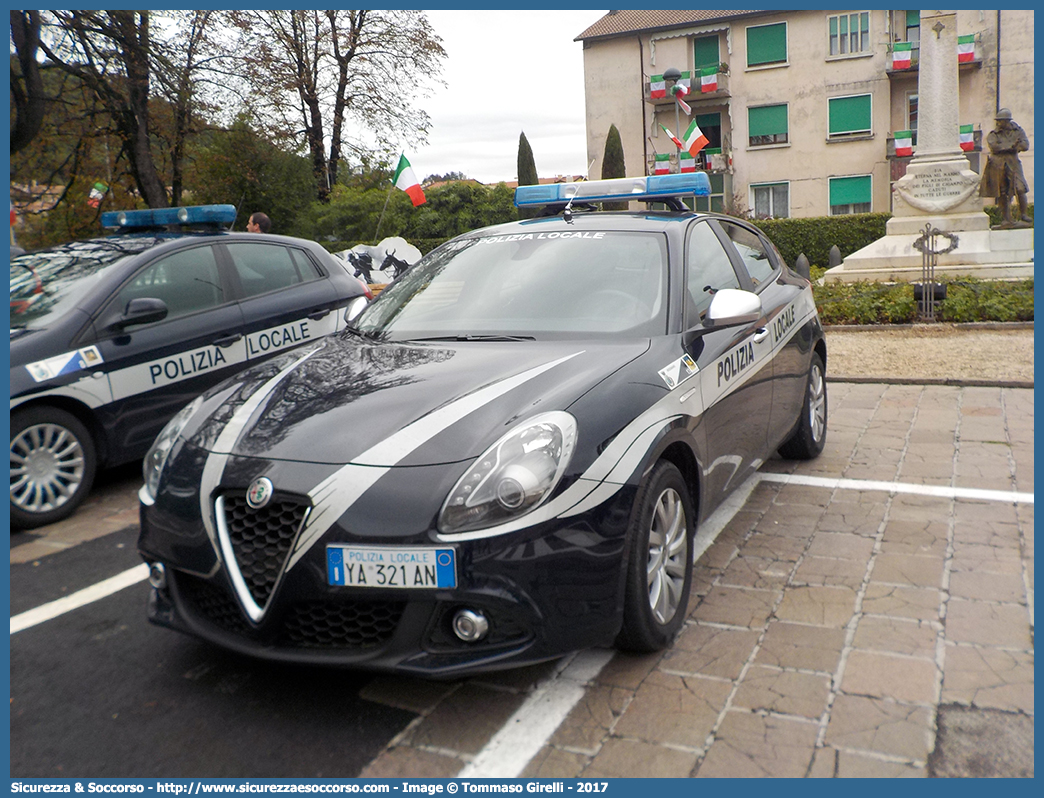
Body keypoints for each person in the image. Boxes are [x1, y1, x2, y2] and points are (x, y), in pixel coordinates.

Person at [979, 109, 1031, 227]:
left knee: (1020, 188)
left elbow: (1025, 145)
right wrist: (1012, 146)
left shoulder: (1017, 131)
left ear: (1007, 121)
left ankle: (1024, 214)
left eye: (1000, 121)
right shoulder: (994, 134)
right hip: (999, 164)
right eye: (998, 121)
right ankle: (1006, 219)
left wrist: (1009, 147)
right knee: (1003, 192)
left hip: (1014, 163)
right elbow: (994, 147)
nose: (998, 123)